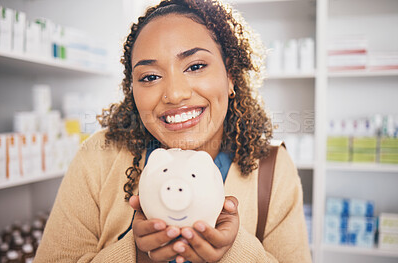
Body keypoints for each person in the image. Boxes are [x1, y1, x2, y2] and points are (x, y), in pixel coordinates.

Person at [34, 0, 311, 262]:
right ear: (133, 91)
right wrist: (137, 253)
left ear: (230, 75)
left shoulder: (272, 168)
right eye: (150, 77)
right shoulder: (98, 157)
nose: (175, 94)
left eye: (196, 66)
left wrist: (233, 249)